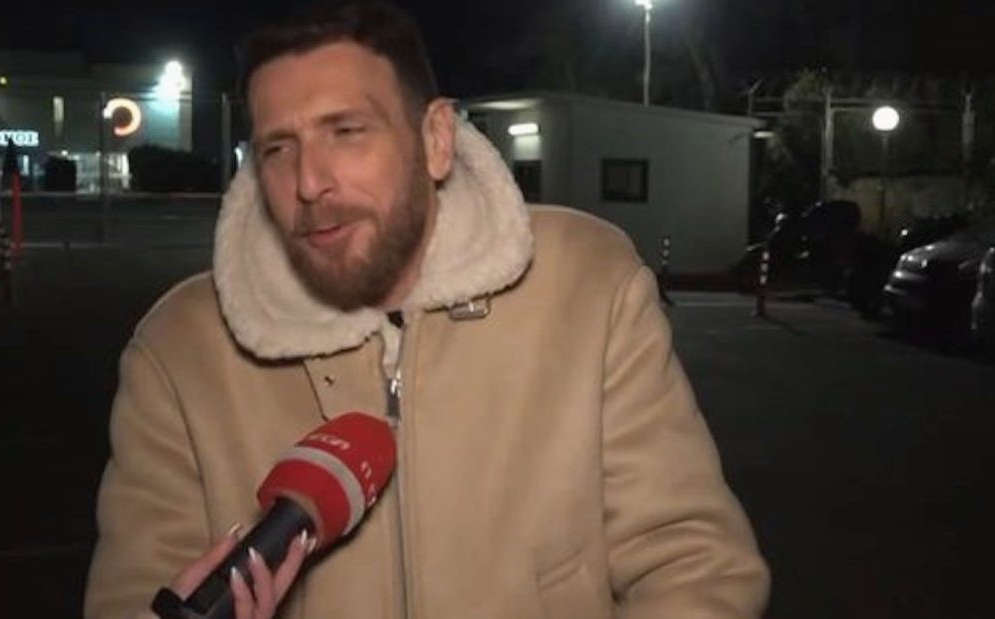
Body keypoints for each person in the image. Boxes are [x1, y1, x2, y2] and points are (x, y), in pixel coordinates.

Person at [84, 2, 770, 617]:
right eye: (278, 148)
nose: (310, 182)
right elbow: (134, 594)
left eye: (346, 131)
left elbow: (694, 567)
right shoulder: (180, 349)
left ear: (436, 138)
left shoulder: (588, 285)